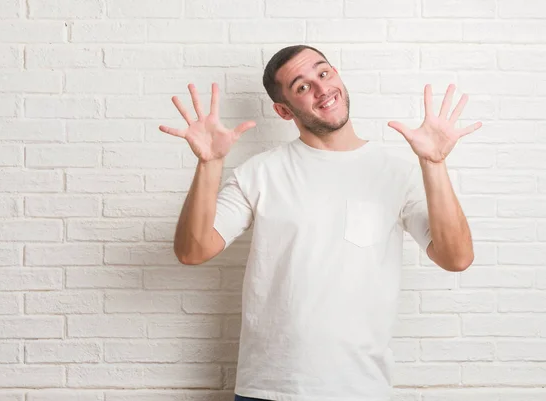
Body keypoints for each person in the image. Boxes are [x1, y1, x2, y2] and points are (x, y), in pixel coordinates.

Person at [159, 45, 481, 401]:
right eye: (301, 86)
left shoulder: (399, 173)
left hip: (361, 390)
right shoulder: (260, 173)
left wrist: (434, 164)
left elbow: (457, 258)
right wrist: (209, 164)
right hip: (270, 389)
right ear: (284, 111)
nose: (321, 88)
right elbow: (192, 250)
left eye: (323, 73)